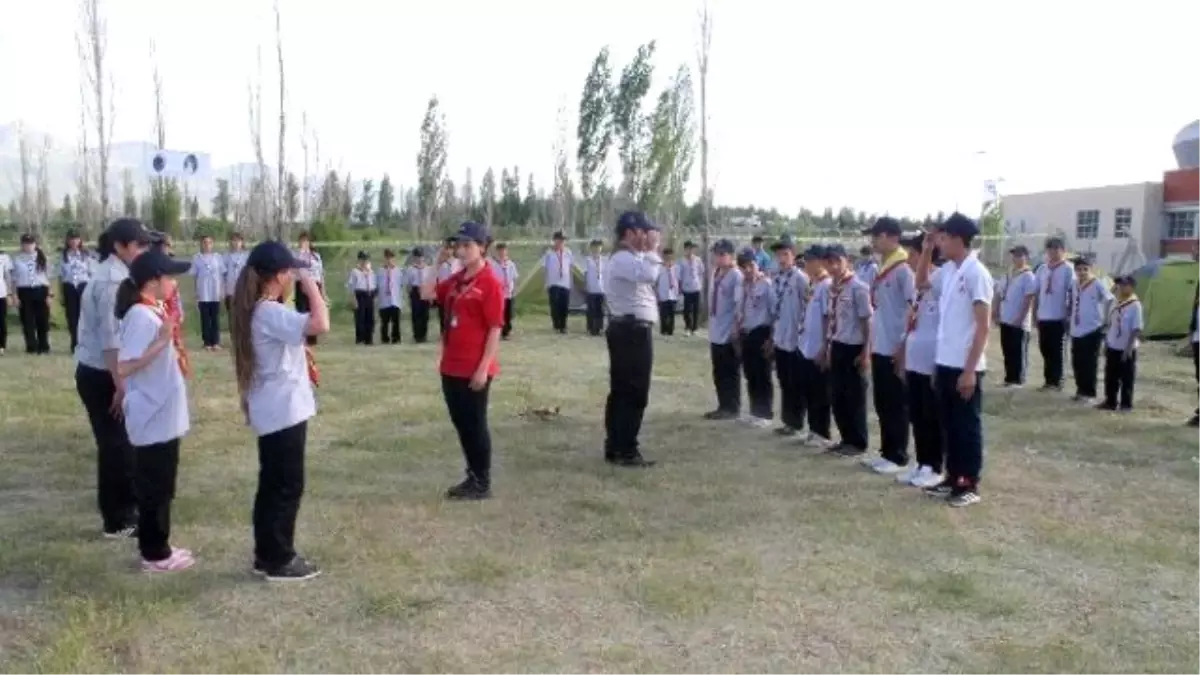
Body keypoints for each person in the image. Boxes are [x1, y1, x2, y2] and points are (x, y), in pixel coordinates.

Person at [230, 239, 329, 581]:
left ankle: (266, 553)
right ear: (280, 275)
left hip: (275, 408)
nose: (293, 276)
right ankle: (279, 558)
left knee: (272, 484)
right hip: (282, 410)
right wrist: (312, 285)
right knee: (286, 485)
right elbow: (320, 324)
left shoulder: (261, 309)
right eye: (290, 271)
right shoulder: (269, 312)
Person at [114, 249, 195, 572]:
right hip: (151, 413)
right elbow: (125, 366)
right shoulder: (139, 316)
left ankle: (160, 543)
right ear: (152, 281)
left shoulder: (153, 310)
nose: (175, 283)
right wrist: (162, 341)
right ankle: (154, 553)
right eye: (170, 277)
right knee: (154, 486)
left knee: (163, 484)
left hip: (163, 413)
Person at [75, 218, 155, 538]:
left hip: (112, 370)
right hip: (103, 373)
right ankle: (117, 518)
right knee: (115, 445)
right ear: (120, 246)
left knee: (125, 443)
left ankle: (129, 506)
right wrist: (121, 388)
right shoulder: (111, 282)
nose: (143, 250)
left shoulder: (123, 275)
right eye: (138, 245)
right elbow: (111, 344)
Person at [421, 222, 505, 498]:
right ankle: (472, 475)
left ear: (482, 247)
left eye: (468, 245)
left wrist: (483, 368)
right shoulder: (457, 280)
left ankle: (482, 481)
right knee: (462, 424)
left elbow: (495, 327)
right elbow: (426, 294)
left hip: (474, 367)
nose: (462, 250)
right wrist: (437, 262)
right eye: (459, 245)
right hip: (452, 365)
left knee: (475, 424)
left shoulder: (490, 282)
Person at [926, 213, 992, 508]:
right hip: (945, 360)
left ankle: (968, 483)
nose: (939, 243)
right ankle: (953, 477)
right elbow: (921, 284)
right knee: (949, 424)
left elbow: (983, 325)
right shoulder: (949, 271)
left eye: (943, 238)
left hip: (965, 364)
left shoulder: (977, 273)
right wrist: (926, 249)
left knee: (966, 426)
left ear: (957, 239)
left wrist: (969, 370)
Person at [602, 211, 662, 467]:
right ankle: (626, 448)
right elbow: (649, 275)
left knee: (623, 390)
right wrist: (653, 249)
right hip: (631, 331)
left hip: (628, 328)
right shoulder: (624, 259)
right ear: (630, 233)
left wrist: (647, 251)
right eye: (643, 232)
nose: (647, 236)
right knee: (634, 391)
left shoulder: (629, 258)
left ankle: (616, 445)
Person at [862, 217, 915, 474]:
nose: (873, 240)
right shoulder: (882, 268)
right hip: (880, 344)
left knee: (896, 403)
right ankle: (886, 451)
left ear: (893, 237)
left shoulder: (904, 269)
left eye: (877, 235)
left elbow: (913, 308)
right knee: (883, 401)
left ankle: (898, 455)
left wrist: (903, 346)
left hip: (895, 346)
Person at [896, 232, 946, 488]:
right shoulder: (918, 287)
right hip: (915, 358)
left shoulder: (938, 280)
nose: (908, 261)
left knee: (931, 415)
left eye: (913, 255)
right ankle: (922, 462)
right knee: (916, 414)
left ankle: (935, 466)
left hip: (931, 360)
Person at [822, 244, 872, 457]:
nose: (834, 266)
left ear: (847, 261)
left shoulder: (858, 287)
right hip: (837, 344)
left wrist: (866, 351)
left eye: (838, 261)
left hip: (854, 347)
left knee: (854, 396)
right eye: (830, 262)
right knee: (838, 395)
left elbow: (866, 320)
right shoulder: (830, 287)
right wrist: (827, 347)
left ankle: (858, 441)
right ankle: (845, 438)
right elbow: (829, 318)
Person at [769, 235, 808, 438]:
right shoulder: (776, 278)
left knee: (795, 382)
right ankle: (787, 421)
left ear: (793, 255)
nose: (781, 258)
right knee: (783, 380)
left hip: (795, 338)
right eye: (778, 255)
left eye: (785, 254)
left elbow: (806, 306)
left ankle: (796, 422)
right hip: (780, 336)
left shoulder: (800, 279)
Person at [704, 239, 744, 420]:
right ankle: (722, 404)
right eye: (716, 254)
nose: (718, 258)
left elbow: (738, 304)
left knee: (730, 371)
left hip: (729, 330)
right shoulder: (716, 273)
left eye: (722, 254)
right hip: (715, 330)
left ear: (731, 256)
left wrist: (736, 329)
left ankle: (732, 407)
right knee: (718, 370)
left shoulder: (736, 275)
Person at [736, 248, 775, 427]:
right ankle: (754, 411)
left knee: (762, 374)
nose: (748, 270)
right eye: (744, 267)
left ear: (757, 264)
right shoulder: (743, 285)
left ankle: (765, 413)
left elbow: (774, 312)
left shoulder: (766, 284)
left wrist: (771, 338)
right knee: (750, 373)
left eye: (751, 265)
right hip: (746, 332)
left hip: (761, 331)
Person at [799, 245, 833, 446]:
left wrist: (825, 347)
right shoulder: (814, 284)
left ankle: (822, 432)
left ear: (821, 261)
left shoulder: (827, 285)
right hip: (807, 345)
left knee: (821, 392)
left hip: (819, 346)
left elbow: (828, 318)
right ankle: (813, 429)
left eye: (810, 260)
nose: (807, 264)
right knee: (810, 390)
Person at [1068, 256, 1112, 403]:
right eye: (1079, 269)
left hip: (1092, 328)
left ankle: (1089, 393)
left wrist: (1106, 320)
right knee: (1077, 361)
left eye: (1085, 269)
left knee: (1089, 362)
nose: (1082, 272)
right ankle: (1080, 390)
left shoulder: (1097, 283)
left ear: (1090, 269)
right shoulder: (1074, 284)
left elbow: (1110, 300)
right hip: (1076, 329)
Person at [1033, 237, 1074, 390]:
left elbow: (1072, 292)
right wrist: (1035, 312)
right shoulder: (1042, 269)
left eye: (1056, 248)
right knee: (1045, 348)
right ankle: (1049, 379)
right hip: (1044, 315)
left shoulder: (1068, 269)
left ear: (1063, 251)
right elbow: (1036, 292)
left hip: (1059, 316)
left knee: (1057, 349)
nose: (1053, 251)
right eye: (1050, 248)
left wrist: (1069, 315)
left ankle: (1057, 380)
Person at [995, 245, 1037, 387]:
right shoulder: (1008, 273)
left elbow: (1029, 298)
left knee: (1018, 350)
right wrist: (995, 311)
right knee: (1007, 349)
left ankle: (1018, 379)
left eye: (1020, 255)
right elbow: (999, 293)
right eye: (1014, 255)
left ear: (1026, 257)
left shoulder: (1028, 276)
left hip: (1019, 320)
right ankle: (1009, 377)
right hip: (1005, 317)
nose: (1016, 258)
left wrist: (1021, 317)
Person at [1099, 276, 1142, 412]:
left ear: (1131, 287)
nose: (1122, 288)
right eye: (1120, 285)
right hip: (1113, 343)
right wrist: (1107, 341)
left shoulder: (1135, 304)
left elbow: (1136, 328)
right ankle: (1110, 401)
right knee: (1110, 375)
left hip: (1126, 346)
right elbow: (1111, 324)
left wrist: (1128, 349)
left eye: (1125, 285)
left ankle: (1126, 404)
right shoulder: (1115, 302)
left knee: (1127, 377)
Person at [12, 233, 53, 354]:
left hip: (40, 290)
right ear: (22, 245)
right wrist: (14, 295)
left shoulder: (43, 257)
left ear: (35, 244)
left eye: (31, 244)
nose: (28, 246)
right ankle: (31, 346)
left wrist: (50, 295)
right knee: (27, 320)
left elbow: (49, 277)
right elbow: (14, 279)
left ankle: (44, 346)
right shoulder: (17, 259)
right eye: (26, 244)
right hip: (24, 291)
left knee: (43, 320)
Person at [191, 234, 225, 351]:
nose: (207, 245)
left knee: (215, 318)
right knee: (205, 318)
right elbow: (195, 276)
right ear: (201, 244)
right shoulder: (197, 258)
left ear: (213, 244)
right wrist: (196, 292)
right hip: (203, 293)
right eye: (205, 242)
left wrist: (222, 291)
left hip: (215, 292)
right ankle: (207, 342)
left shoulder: (218, 257)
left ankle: (215, 341)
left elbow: (222, 275)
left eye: (209, 242)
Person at [60, 230, 92, 353]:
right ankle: (75, 343)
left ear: (80, 240)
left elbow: (92, 273)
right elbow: (60, 276)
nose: (74, 241)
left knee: (84, 316)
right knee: (72, 317)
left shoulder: (86, 255)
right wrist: (61, 293)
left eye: (76, 239)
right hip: (69, 287)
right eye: (71, 239)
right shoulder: (64, 255)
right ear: (68, 241)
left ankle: (86, 344)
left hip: (83, 286)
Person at [293, 231, 325, 346]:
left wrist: (323, 291)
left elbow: (321, 274)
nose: (304, 243)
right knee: (302, 310)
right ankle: (302, 337)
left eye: (306, 240)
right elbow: (295, 270)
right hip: (301, 284)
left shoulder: (316, 256)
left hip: (315, 284)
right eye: (302, 240)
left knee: (313, 311)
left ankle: (312, 338)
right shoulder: (296, 255)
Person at [542, 231, 574, 333]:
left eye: (563, 240)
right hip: (553, 282)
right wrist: (545, 282)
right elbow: (545, 268)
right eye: (559, 240)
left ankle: (563, 326)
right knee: (555, 304)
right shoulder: (549, 253)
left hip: (565, 282)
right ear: (554, 240)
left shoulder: (568, 252)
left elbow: (571, 267)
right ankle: (556, 325)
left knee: (564, 305)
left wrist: (571, 281)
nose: (561, 242)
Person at [348, 251, 377, 345]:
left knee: (370, 317)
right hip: (360, 295)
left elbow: (373, 284)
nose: (365, 262)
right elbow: (351, 286)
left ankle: (369, 338)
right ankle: (360, 338)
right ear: (359, 260)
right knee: (360, 317)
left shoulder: (371, 271)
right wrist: (353, 299)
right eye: (363, 259)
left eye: (366, 259)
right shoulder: (355, 271)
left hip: (369, 294)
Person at [490, 243, 519, 339]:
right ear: (497, 252)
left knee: (509, 313)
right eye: (500, 250)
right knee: (500, 313)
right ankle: (501, 331)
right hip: (499, 292)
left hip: (509, 292)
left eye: (504, 250)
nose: (502, 252)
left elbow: (514, 278)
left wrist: (514, 289)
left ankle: (507, 331)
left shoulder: (510, 264)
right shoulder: (493, 264)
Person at [377, 249, 404, 345]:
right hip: (384, 300)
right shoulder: (380, 271)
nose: (389, 260)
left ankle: (396, 338)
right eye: (387, 258)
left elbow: (401, 284)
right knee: (384, 322)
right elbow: (377, 285)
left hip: (395, 299)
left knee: (396, 321)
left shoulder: (398, 271)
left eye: (391, 258)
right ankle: (385, 338)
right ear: (384, 259)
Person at [678, 241, 705, 336]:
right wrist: (679, 287)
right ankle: (688, 327)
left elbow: (701, 272)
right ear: (685, 249)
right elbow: (679, 275)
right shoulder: (681, 261)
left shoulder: (697, 260)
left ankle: (695, 328)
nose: (690, 251)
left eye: (692, 249)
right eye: (688, 249)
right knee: (687, 309)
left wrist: (700, 284)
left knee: (696, 309)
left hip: (696, 287)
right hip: (686, 288)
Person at [435, 240, 462, 334]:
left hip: (455, 291)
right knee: (443, 313)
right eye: (446, 249)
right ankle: (444, 331)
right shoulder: (440, 263)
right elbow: (436, 277)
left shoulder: (458, 262)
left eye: (450, 249)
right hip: (443, 291)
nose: (448, 251)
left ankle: (454, 331)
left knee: (455, 312)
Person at [407, 248, 433, 343]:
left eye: (421, 257)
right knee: (416, 314)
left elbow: (430, 282)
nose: (419, 259)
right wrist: (410, 294)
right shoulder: (411, 269)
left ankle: (424, 335)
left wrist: (430, 295)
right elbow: (409, 284)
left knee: (425, 315)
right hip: (415, 290)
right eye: (417, 257)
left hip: (425, 290)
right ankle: (417, 336)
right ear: (414, 258)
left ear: (423, 257)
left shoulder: (428, 269)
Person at [584, 239, 607, 336]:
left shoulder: (604, 260)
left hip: (601, 289)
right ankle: (591, 327)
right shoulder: (588, 260)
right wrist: (585, 285)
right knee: (591, 309)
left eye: (599, 247)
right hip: (591, 288)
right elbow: (585, 274)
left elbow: (606, 274)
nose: (597, 249)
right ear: (591, 248)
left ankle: (599, 327)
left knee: (600, 309)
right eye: (595, 247)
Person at [224, 232, 249, 319]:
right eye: (233, 240)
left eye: (238, 241)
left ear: (242, 242)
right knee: (232, 316)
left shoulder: (247, 256)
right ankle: (232, 332)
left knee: (242, 317)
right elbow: (223, 275)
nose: (236, 243)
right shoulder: (226, 256)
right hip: (230, 291)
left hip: (243, 290)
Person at [655, 248, 680, 337]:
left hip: (673, 294)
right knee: (663, 314)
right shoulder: (659, 268)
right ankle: (663, 329)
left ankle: (670, 330)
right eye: (666, 257)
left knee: (672, 313)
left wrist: (678, 290)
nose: (669, 259)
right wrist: (656, 293)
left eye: (670, 257)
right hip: (663, 294)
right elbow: (656, 281)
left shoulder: (676, 267)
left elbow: (679, 279)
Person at [0, 246, 11, 354]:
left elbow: (8, 277)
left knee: (1, 321)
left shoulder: (4, 257)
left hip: (1, 294)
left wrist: (9, 294)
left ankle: (2, 346)